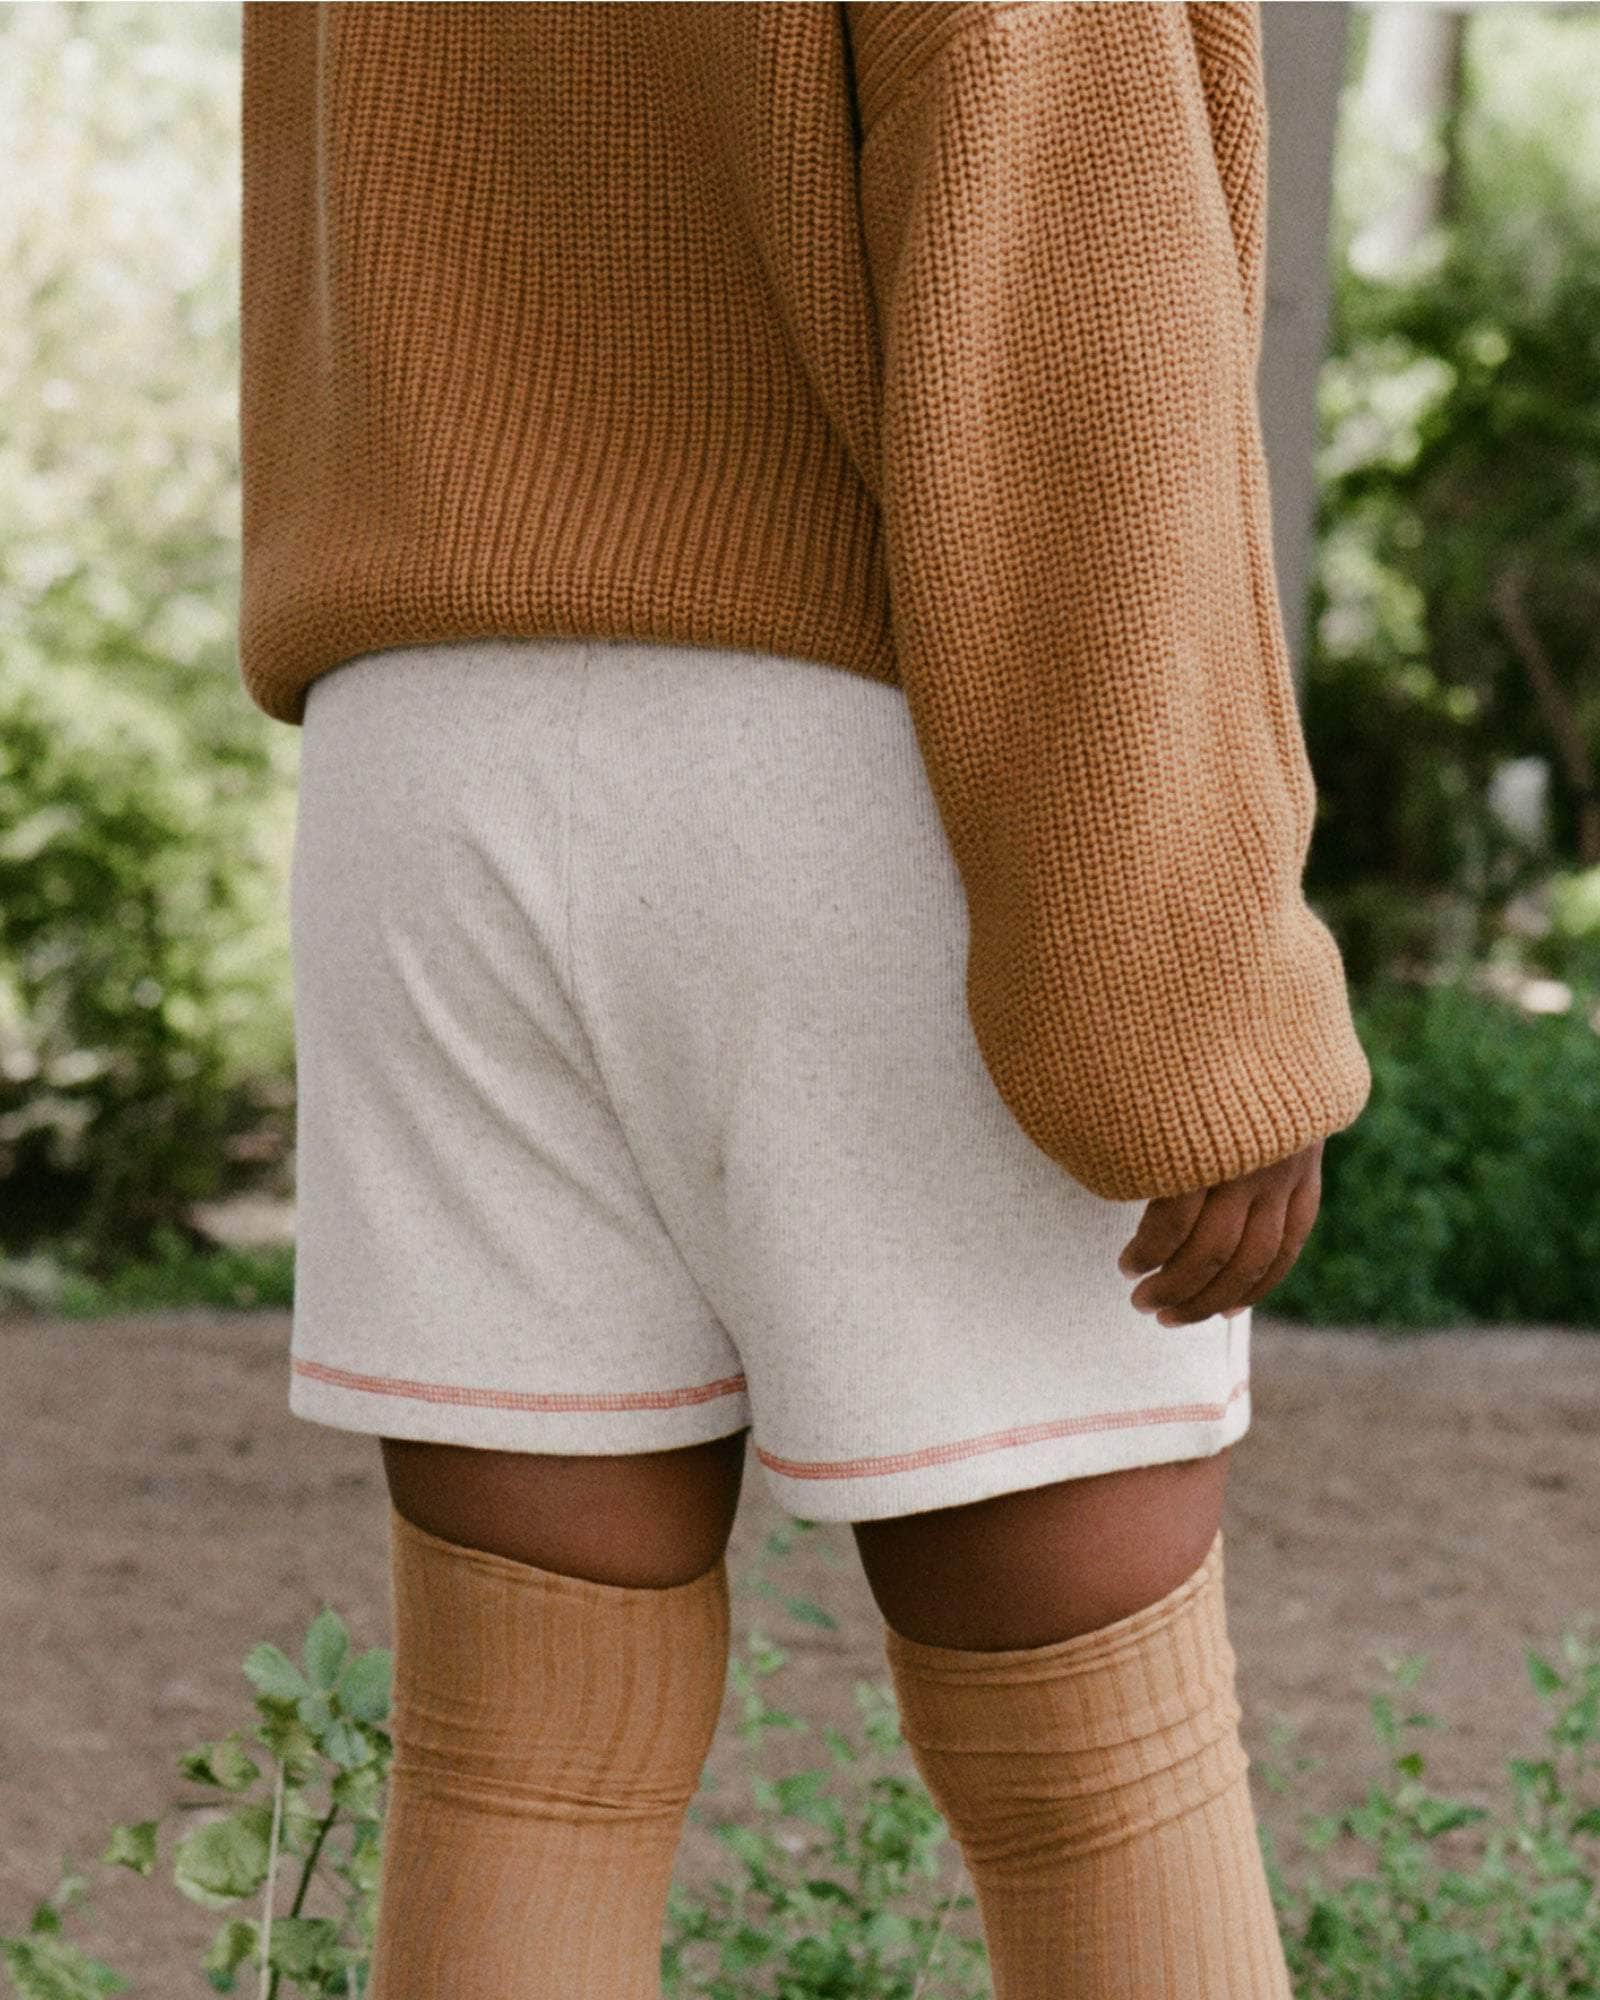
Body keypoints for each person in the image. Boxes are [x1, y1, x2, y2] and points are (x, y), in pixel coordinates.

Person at [238, 3, 1371, 1994]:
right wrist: (1190, 1004)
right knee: (1093, 1770)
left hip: (421, 751)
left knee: (528, 1765)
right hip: (863, 764)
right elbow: (1068, 304)